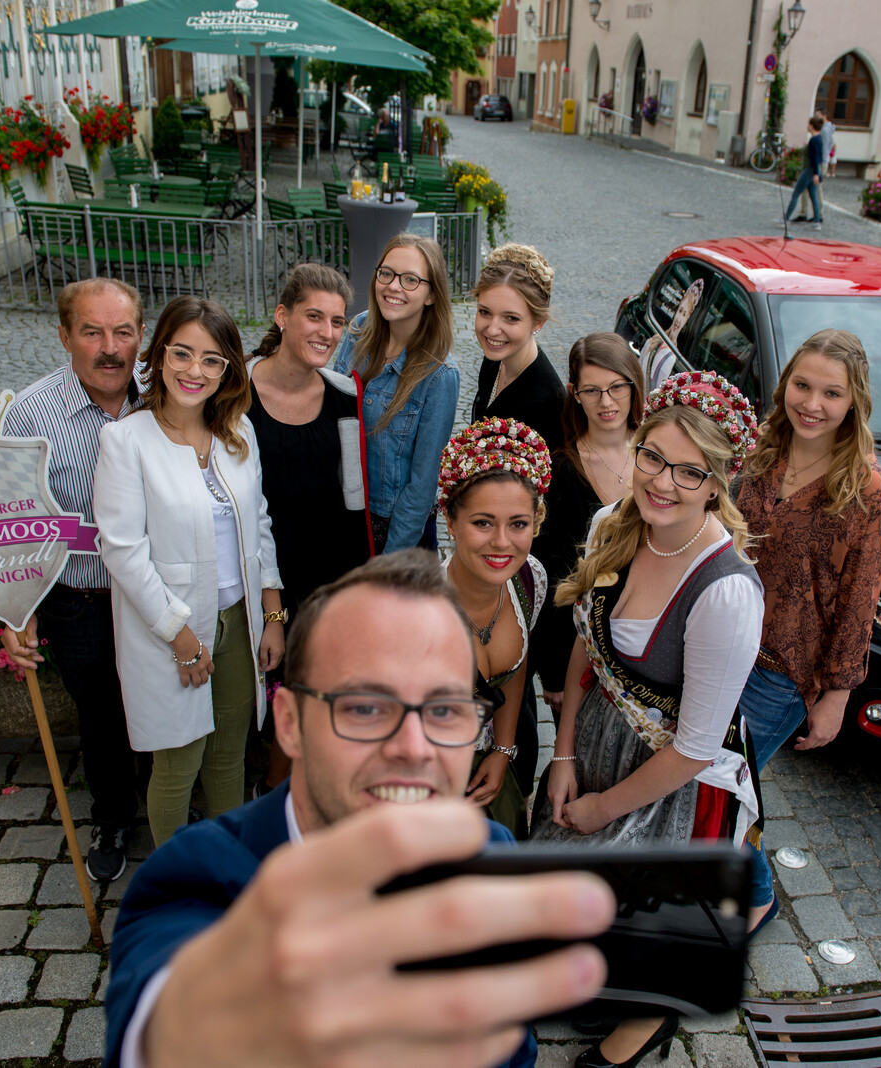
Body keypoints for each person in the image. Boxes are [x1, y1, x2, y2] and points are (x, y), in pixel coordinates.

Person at [103, 550, 617, 1068]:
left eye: (445, 709)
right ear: (290, 724)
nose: (414, 748)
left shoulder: (490, 858)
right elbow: (157, 1024)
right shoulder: (193, 878)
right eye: (367, 708)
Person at [535, 371, 764, 1068]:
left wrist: (603, 809)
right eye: (653, 457)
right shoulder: (614, 521)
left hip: (674, 783)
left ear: (718, 483)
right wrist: (564, 754)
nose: (663, 482)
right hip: (598, 738)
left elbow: (693, 751)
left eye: (689, 472)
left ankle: (651, 1017)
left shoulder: (726, 594)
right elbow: (588, 641)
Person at [93, 296, 286, 846]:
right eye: (182, 353)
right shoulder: (127, 440)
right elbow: (123, 551)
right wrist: (179, 637)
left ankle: (225, 871)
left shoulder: (238, 432)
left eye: (211, 359)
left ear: (227, 369)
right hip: (169, 630)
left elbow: (259, 523)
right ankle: (172, 883)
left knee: (228, 756)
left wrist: (272, 614)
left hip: (238, 621)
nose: (193, 370)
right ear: (158, 355)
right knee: (178, 764)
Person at [732, 329, 881, 930]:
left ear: (854, 402)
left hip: (782, 673)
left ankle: (757, 895)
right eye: (803, 385)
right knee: (718, 780)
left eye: (832, 393)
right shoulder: (759, 452)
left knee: (719, 781)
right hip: (724, 645)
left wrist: (837, 697)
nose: (813, 404)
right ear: (785, 385)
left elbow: (859, 603)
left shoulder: (866, 490)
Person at [0, 277, 146, 882]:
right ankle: (113, 815)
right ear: (64, 337)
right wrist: (16, 609)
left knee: (166, 703)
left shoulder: (169, 394)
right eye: (92, 332)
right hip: (81, 599)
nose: (110, 348)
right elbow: (11, 519)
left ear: (142, 335)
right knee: (103, 717)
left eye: (123, 332)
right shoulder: (30, 413)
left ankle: (168, 802)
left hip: (156, 595)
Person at [247, 263, 374, 792]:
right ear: (282, 316)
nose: (327, 332)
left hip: (330, 587)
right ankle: (273, 801)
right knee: (279, 709)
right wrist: (273, 613)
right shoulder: (235, 398)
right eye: (314, 317)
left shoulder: (345, 397)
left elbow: (352, 504)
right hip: (266, 584)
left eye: (338, 321)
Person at [437, 418, 554, 838]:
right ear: (451, 522)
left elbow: (515, 668)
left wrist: (503, 750)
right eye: (483, 523)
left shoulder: (530, 579)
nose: (502, 542)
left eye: (518, 524)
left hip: (493, 771)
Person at [535, 333, 645, 722]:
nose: (607, 401)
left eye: (617, 387)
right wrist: (553, 673)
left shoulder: (659, 457)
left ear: (634, 386)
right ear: (575, 394)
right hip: (580, 648)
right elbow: (550, 575)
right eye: (592, 391)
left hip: (646, 647)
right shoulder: (561, 470)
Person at [332, 234, 460, 553]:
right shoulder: (359, 330)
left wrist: (389, 562)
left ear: (431, 294)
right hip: (344, 512)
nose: (393, 286)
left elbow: (422, 487)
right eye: (386, 273)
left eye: (410, 280)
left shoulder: (440, 374)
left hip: (396, 533)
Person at [470, 243, 568, 451]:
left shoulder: (550, 404)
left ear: (538, 322)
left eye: (511, 318)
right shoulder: (494, 361)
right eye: (485, 312)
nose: (492, 330)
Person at [785, 115, 827, 232]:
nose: (807, 126)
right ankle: (816, 221)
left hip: (809, 170)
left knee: (796, 194)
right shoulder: (819, 138)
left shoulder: (814, 140)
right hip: (814, 170)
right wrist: (817, 173)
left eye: (809, 124)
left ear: (812, 126)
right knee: (813, 196)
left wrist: (816, 174)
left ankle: (786, 218)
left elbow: (815, 158)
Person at [820, 108, 837, 178]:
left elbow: (826, 143)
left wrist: (823, 159)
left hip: (823, 155)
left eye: (818, 115)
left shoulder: (825, 129)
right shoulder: (824, 127)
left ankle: (832, 172)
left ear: (824, 116)